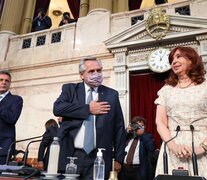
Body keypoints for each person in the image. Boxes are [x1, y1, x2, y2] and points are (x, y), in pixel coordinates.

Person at [53, 56, 126, 179]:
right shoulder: (70, 90)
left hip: (99, 158)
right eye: (91, 71)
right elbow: (58, 108)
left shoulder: (111, 95)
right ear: (82, 75)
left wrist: (119, 158)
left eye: (99, 70)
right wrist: (88, 109)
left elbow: (119, 128)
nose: (96, 74)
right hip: (72, 155)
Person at [155, 46, 207, 178]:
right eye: (172, 59)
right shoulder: (166, 90)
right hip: (172, 149)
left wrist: (201, 149)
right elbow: (160, 122)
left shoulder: (205, 87)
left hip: (202, 148)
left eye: (179, 56)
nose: (174, 61)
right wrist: (173, 146)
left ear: (192, 60)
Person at [119, 116, 155, 180]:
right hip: (124, 170)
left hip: (138, 170)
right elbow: (119, 141)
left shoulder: (147, 136)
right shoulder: (128, 137)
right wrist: (127, 130)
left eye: (141, 126)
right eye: (137, 125)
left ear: (145, 127)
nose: (138, 128)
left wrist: (142, 134)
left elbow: (151, 147)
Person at [0, 70, 23, 164]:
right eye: (1, 80)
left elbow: (12, 118)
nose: (4, 82)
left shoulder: (16, 99)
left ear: (10, 83)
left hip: (3, 146)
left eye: (7, 81)